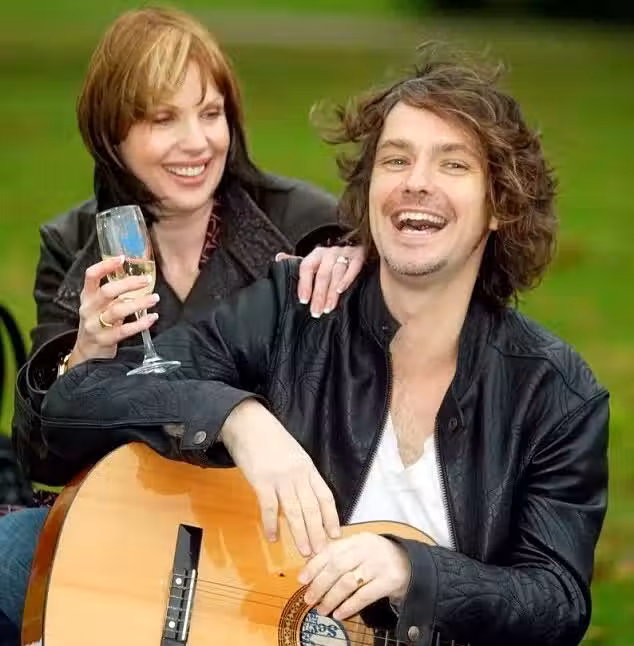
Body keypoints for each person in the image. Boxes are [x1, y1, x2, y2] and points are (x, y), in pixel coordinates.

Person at [40, 46, 608, 646]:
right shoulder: (297, 312)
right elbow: (77, 401)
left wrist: (413, 572)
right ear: (369, 190)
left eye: (453, 164)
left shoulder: (555, 395)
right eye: (396, 159)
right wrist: (235, 417)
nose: (417, 182)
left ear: (500, 206)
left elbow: (557, 603)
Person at [0, 6, 366, 642]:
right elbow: (44, 459)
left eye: (210, 112)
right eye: (163, 119)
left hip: (269, 537)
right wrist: (83, 354)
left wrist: (365, 256)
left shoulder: (308, 224)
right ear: (112, 135)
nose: (197, 142)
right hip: (136, 520)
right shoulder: (75, 243)